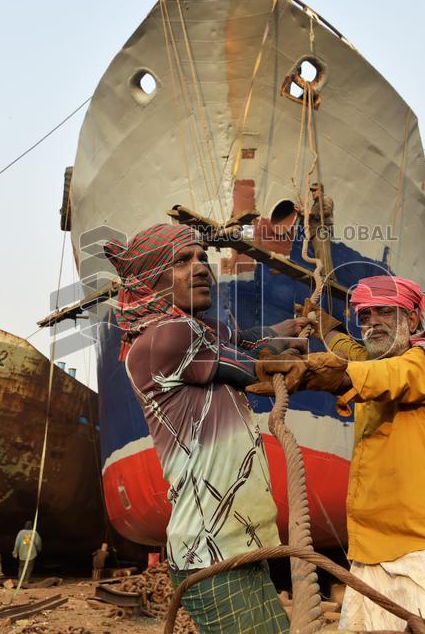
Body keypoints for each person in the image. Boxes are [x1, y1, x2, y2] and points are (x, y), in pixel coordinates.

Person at [104, 223, 305, 633]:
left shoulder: (180, 333)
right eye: (182, 261)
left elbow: (240, 339)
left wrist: (284, 332)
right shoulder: (171, 334)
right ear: (151, 277)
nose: (201, 268)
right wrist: (321, 358)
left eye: (201, 258)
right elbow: (251, 368)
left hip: (233, 544)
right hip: (214, 551)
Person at [251, 275, 425, 631]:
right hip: (368, 552)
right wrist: (324, 326)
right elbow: (352, 353)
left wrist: (310, 373)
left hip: (422, 552)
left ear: (414, 320)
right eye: (365, 315)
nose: (372, 322)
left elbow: (374, 374)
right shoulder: (378, 357)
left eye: (385, 313)